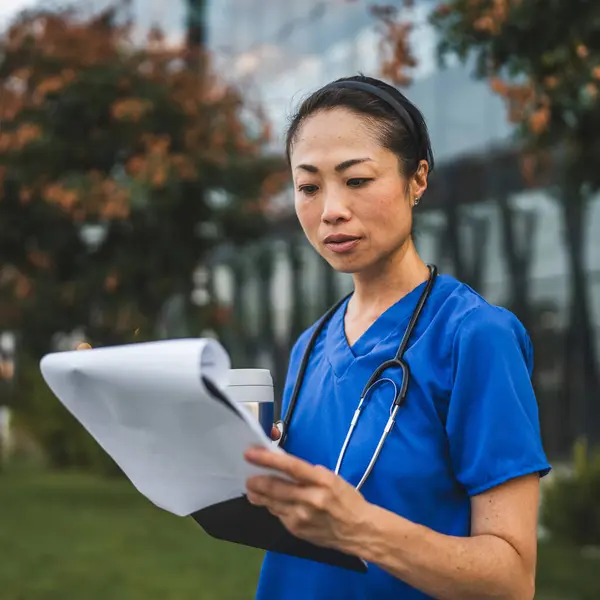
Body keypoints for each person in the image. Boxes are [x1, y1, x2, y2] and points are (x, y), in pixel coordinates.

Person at [243, 75, 551, 600]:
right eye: (309, 186)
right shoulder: (310, 345)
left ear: (418, 179)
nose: (330, 210)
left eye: (356, 180)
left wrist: (361, 528)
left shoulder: (475, 336)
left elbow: (511, 580)